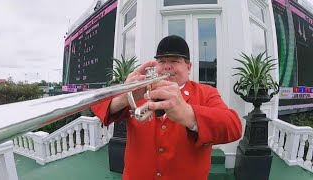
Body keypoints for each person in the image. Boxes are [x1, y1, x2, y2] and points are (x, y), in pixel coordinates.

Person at [91, 35, 242, 180]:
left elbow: (234, 126)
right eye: (162, 61)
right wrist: (125, 96)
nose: (167, 66)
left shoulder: (206, 93)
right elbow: (97, 105)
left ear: (188, 67)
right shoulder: (139, 91)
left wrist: (189, 114)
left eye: (175, 61)